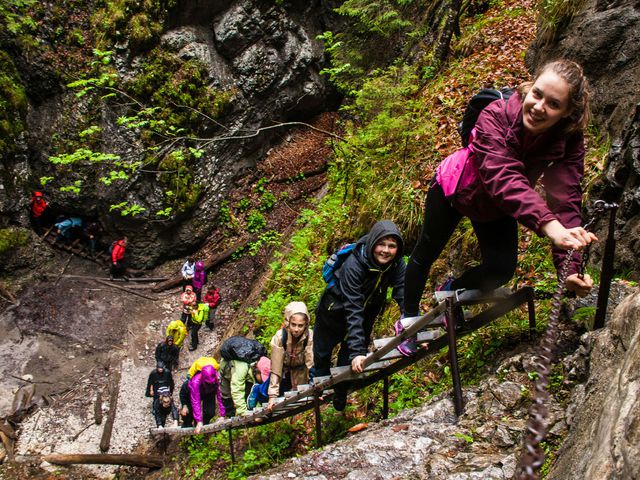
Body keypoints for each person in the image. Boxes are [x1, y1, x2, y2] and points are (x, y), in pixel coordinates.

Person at [400, 59, 597, 354]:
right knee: (424, 255)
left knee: (501, 269)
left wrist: (568, 268)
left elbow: (566, 199)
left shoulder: (568, 140)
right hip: (454, 188)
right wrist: (549, 225)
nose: (540, 106)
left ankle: (450, 291)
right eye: (538, 94)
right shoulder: (495, 115)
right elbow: (502, 176)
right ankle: (408, 322)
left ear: (568, 113)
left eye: (553, 104)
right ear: (529, 87)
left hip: (497, 207)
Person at [313, 220, 406, 411]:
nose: (386, 250)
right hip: (332, 314)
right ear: (372, 242)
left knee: (348, 362)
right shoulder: (353, 265)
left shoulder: (396, 264)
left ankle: (340, 393)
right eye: (381, 244)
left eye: (392, 246)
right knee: (322, 355)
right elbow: (352, 307)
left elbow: (403, 292)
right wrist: (358, 352)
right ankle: (319, 390)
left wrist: (412, 324)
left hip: (365, 316)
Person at [267, 301, 314, 408]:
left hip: (301, 372)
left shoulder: (309, 336)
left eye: (300, 326)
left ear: (306, 325)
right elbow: (276, 368)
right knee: (271, 397)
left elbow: (311, 363)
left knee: (300, 401)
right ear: (288, 322)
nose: (296, 329)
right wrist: (272, 396)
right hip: (283, 372)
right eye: (293, 325)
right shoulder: (279, 337)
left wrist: (315, 386)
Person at [189, 364, 225, 434]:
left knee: (210, 413)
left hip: (209, 392)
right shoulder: (195, 382)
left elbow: (220, 396)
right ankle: (196, 424)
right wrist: (199, 421)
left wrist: (222, 415)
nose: (210, 383)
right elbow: (195, 401)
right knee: (191, 412)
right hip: (196, 390)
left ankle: (205, 424)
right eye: (208, 382)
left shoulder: (216, 379)